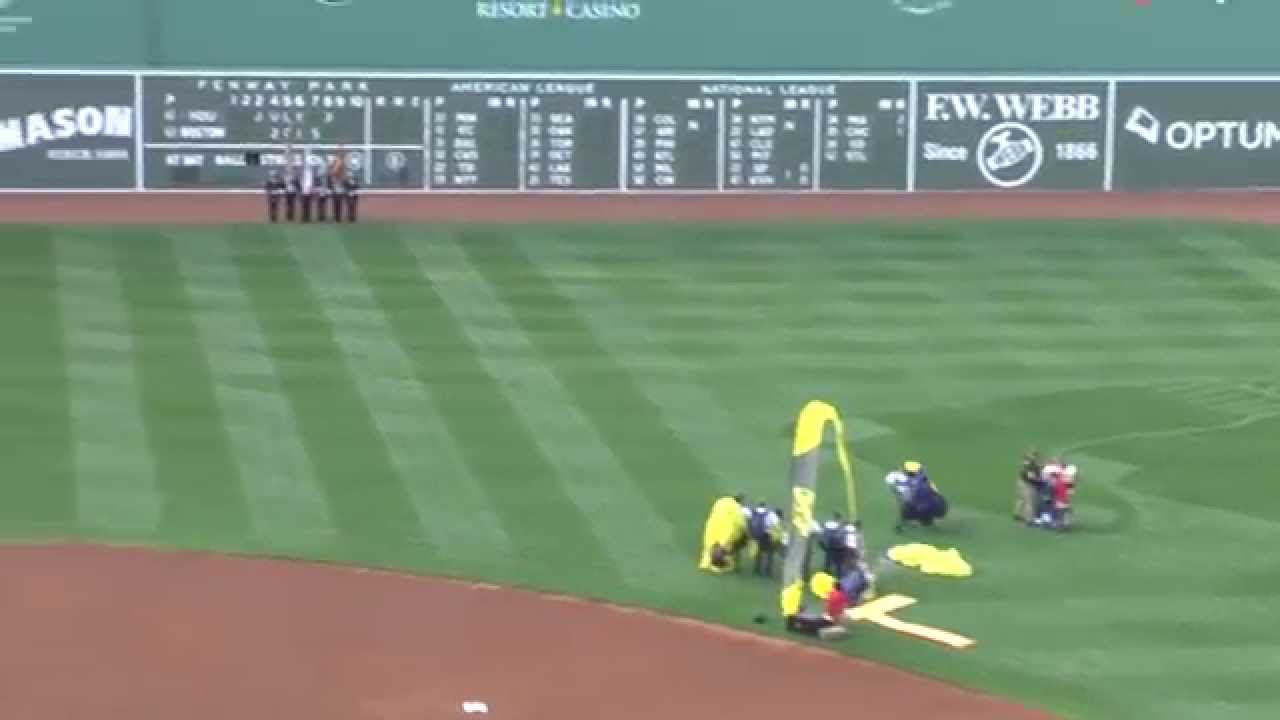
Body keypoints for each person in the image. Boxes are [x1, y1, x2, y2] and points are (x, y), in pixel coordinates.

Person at [889, 461, 948, 532]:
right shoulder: (923, 479)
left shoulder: (913, 484)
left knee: (907, 506)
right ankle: (927, 521)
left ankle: (902, 525)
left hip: (928, 508)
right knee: (923, 505)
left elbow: (912, 499)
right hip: (940, 507)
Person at [1015, 449, 1044, 523]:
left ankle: (1017, 514)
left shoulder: (1028, 462)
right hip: (1026, 484)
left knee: (1021, 499)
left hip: (1021, 481)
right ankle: (1029, 519)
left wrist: (1040, 467)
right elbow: (1031, 476)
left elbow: (1036, 467)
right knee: (1029, 502)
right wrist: (1039, 480)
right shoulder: (1031, 464)